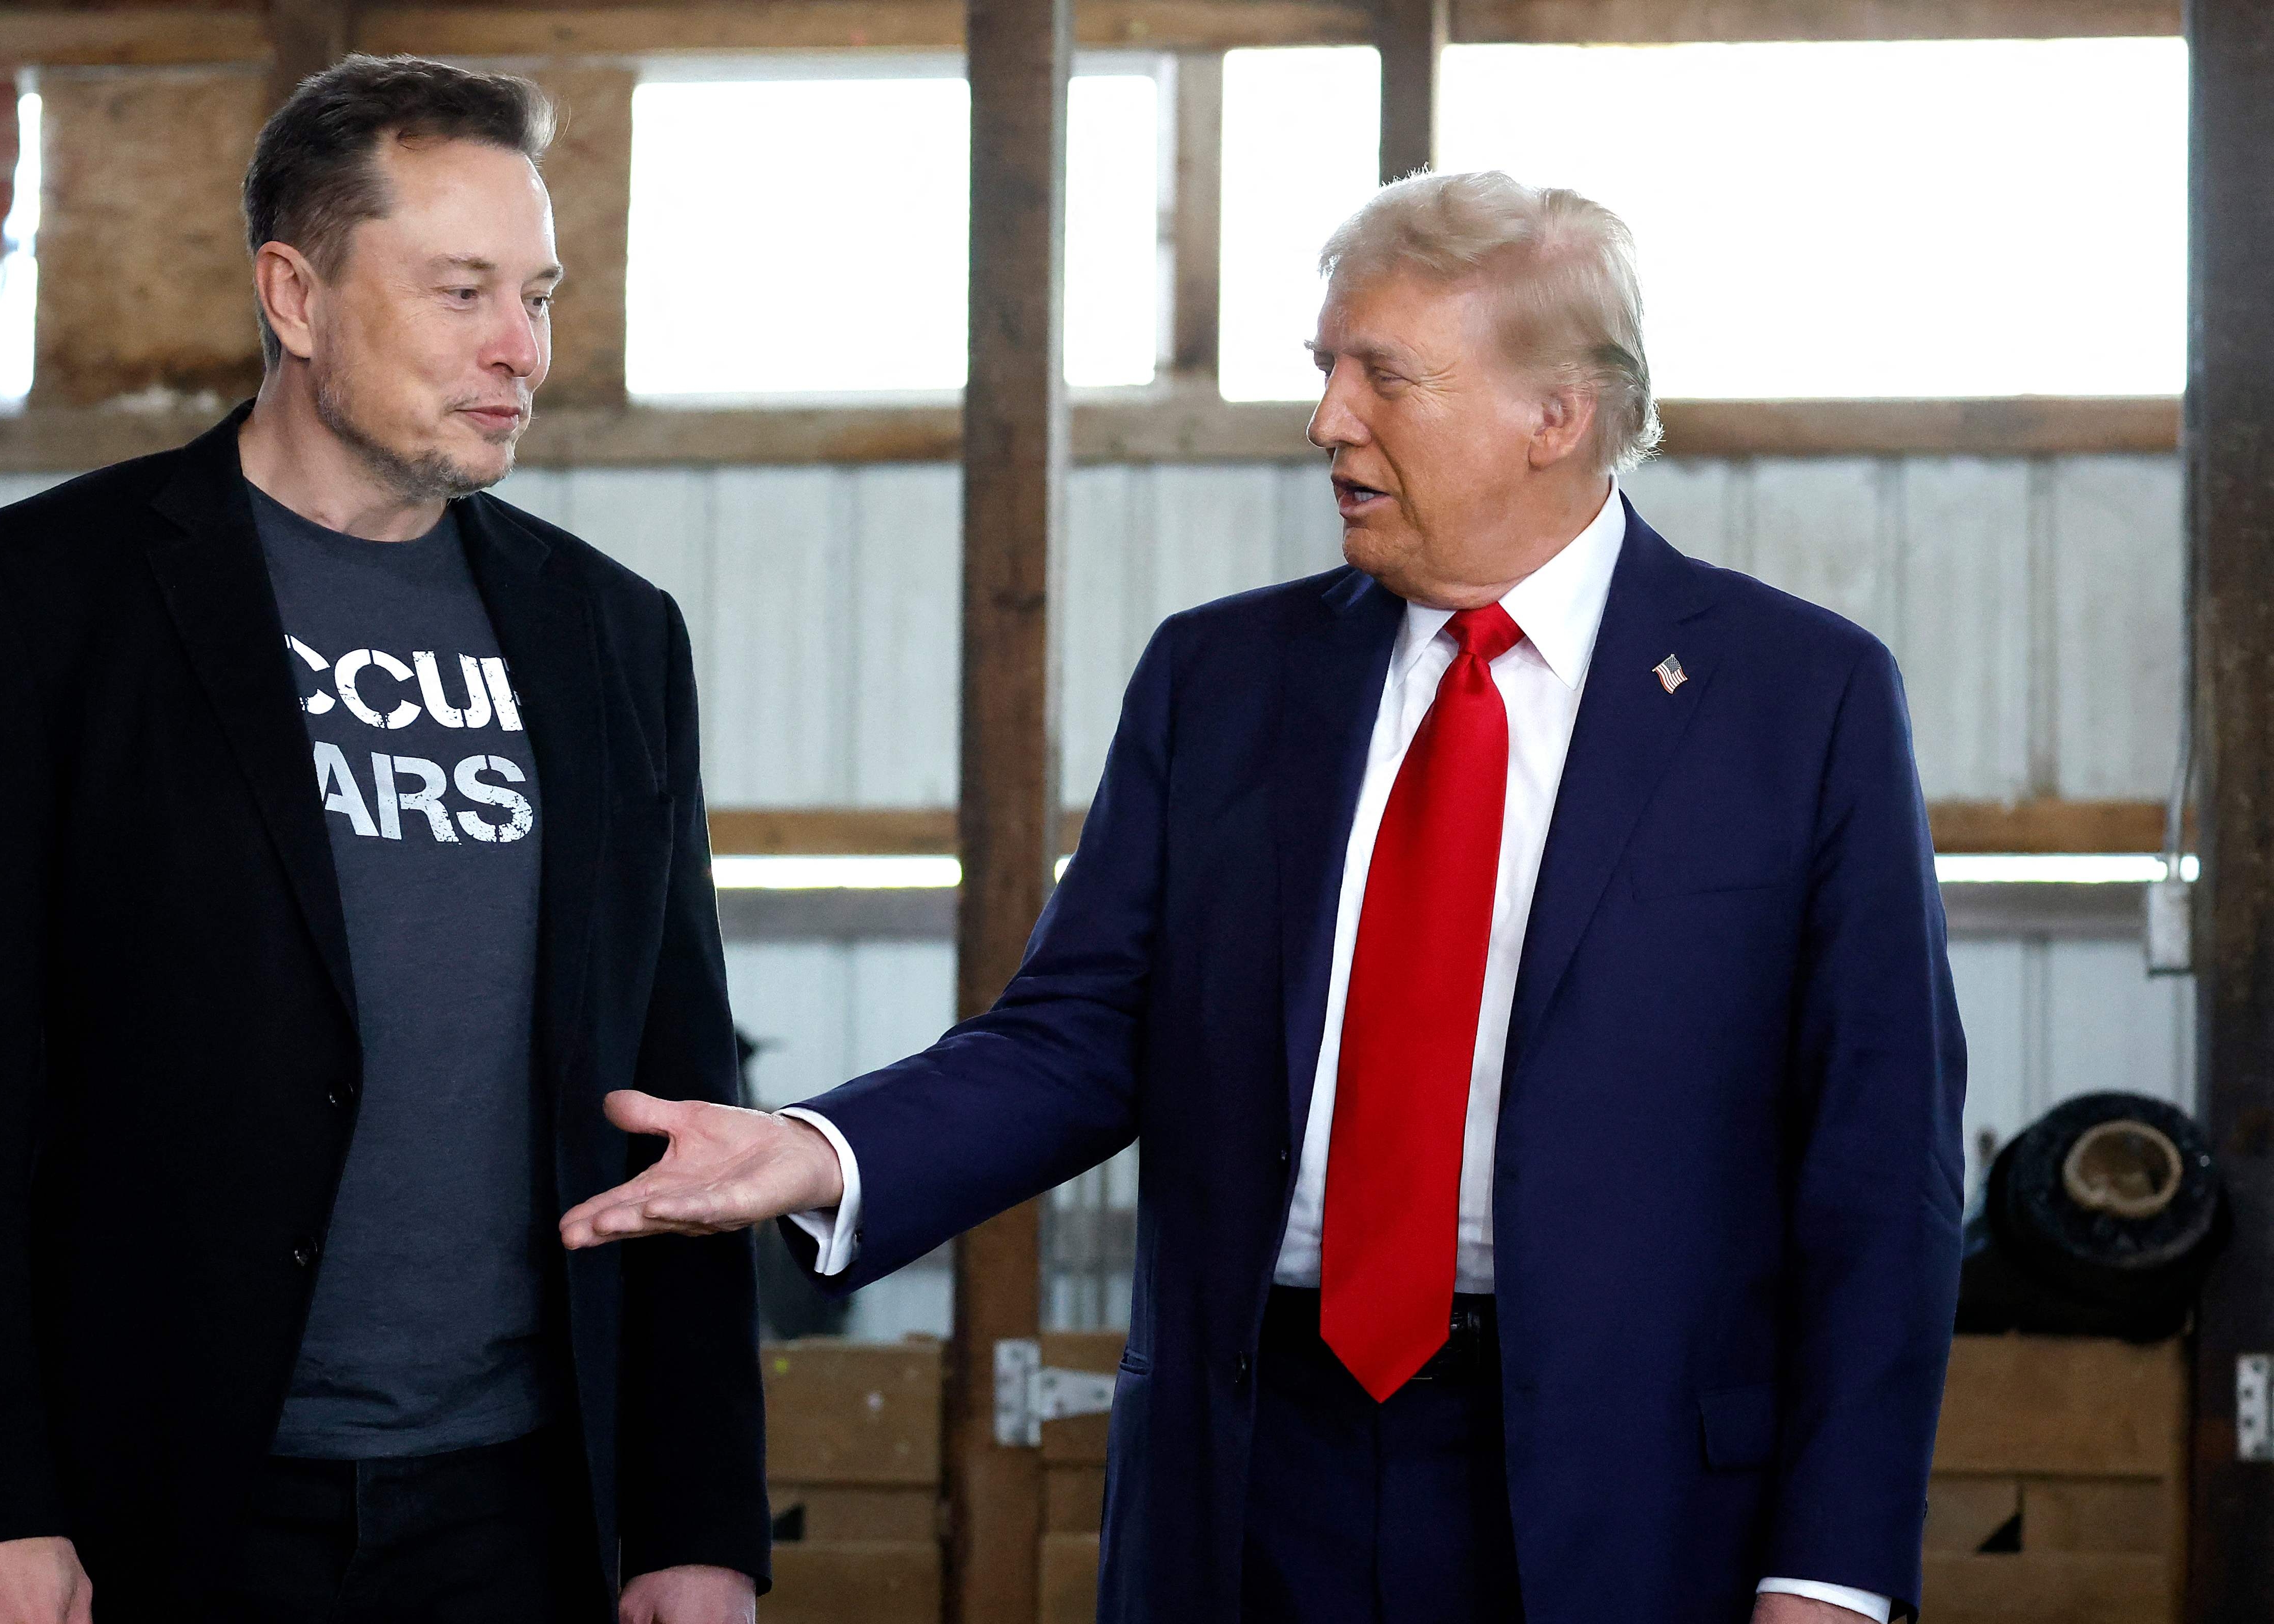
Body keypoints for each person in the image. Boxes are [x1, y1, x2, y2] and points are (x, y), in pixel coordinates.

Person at [562, 171, 1964, 1624]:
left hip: (1631, 1495)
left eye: (1384, 377)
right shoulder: (1218, 679)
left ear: (1554, 414)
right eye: (1323, 368)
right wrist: (819, 1149)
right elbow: (1078, 1032)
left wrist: (1834, 1570)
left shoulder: (1796, 697)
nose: (1327, 421)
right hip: (1247, 1476)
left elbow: (1879, 1166)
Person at [0, 55, 765, 1624]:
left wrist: (698, 1523)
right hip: (159, 1496)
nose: (520, 350)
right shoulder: (45, 599)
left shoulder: (612, 633)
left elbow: (678, 1082)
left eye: (537, 294)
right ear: (295, 292)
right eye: (463, 290)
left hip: (519, 1505)